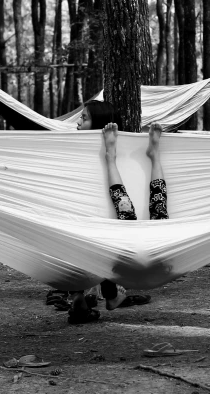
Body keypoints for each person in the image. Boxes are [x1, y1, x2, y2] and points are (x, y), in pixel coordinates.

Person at [63, 100, 162, 324]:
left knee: (137, 219)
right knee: (132, 219)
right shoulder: (69, 150)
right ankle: (106, 296)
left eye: (84, 118)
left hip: (112, 240)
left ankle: (83, 295)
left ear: (98, 124)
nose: (77, 121)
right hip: (109, 237)